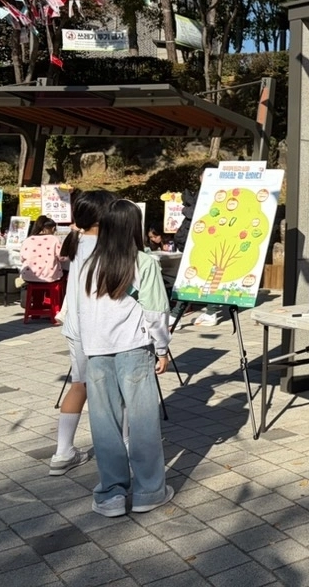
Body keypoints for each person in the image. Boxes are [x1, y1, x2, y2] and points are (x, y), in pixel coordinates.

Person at [66, 199, 174, 517]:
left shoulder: (88, 263)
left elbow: (81, 309)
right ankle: (148, 491)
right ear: (133, 226)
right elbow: (156, 312)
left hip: (96, 351)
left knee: (104, 424)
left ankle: (111, 494)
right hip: (134, 350)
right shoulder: (144, 262)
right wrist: (163, 349)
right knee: (142, 424)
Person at [50, 190, 117, 476]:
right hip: (105, 329)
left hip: (76, 327)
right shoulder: (111, 246)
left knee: (80, 385)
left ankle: (62, 452)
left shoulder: (76, 241)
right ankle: (121, 451)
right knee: (116, 391)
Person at [172, 161, 221, 326]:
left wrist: (185, 209)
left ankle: (175, 316)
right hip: (210, 241)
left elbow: (198, 214)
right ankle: (211, 312)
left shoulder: (208, 193)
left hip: (199, 242)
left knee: (189, 276)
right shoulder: (222, 192)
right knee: (209, 276)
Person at [18, 215, 65, 284]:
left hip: (28, 276)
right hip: (49, 277)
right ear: (53, 228)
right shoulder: (54, 239)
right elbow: (62, 257)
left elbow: (22, 258)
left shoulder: (27, 240)